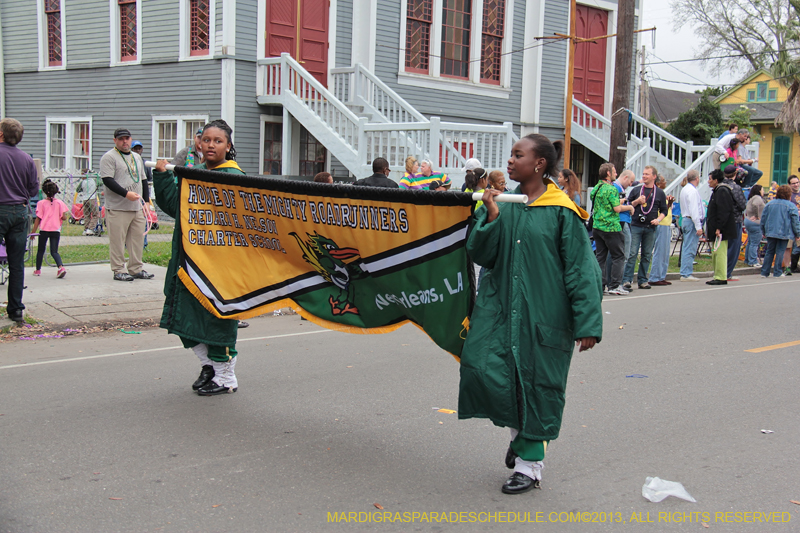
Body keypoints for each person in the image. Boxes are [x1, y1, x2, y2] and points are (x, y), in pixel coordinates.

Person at [458, 133, 602, 495]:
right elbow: (480, 254)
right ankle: (520, 436)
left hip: (545, 315)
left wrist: (588, 323)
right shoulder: (500, 204)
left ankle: (529, 466)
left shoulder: (561, 211)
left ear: (539, 164)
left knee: (538, 389)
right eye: (510, 154)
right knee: (488, 371)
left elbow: (581, 270)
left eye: (517, 155)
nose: (509, 161)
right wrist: (490, 217)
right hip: (500, 311)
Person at [153, 119, 244, 395]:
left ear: (228, 147)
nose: (211, 145)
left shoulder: (237, 178)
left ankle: (226, 377)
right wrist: (161, 176)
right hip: (187, 261)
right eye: (206, 140)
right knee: (182, 314)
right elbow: (172, 205)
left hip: (219, 265)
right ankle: (209, 366)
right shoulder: (193, 175)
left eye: (217, 141)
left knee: (216, 318)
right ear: (198, 143)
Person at [99, 128, 154, 282]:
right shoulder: (109, 157)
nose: (125, 142)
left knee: (136, 239)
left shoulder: (136, 157)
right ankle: (118, 269)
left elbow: (143, 180)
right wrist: (126, 194)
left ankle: (136, 268)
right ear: (115, 140)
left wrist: (146, 201)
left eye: (127, 138)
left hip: (136, 207)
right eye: (121, 139)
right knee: (118, 240)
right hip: (118, 207)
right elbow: (108, 180)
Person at [0, 118, 40, 322]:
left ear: (1, 134)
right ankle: (16, 309)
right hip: (20, 212)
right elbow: (34, 189)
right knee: (16, 263)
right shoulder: (26, 159)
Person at [622, 166, 669, 290]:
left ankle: (643, 280)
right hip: (636, 225)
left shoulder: (659, 192)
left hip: (651, 227)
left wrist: (658, 220)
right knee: (632, 253)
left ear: (654, 176)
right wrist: (637, 201)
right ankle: (627, 279)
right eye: (643, 174)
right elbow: (627, 204)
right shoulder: (637, 190)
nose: (644, 176)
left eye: (647, 174)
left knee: (647, 255)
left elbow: (664, 210)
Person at [591, 163, 633, 295]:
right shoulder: (611, 189)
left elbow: (605, 203)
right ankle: (615, 285)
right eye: (614, 172)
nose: (616, 174)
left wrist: (618, 202)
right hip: (611, 227)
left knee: (600, 257)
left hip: (597, 226)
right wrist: (630, 207)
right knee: (618, 256)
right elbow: (616, 208)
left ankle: (600, 285)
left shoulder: (597, 188)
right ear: (608, 173)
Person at [30, 179, 69, 278]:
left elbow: (38, 219)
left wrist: (33, 232)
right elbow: (63, 217)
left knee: (40, 250)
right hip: (55, 230)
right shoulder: (60, 203)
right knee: (54, 251)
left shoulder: (41, 203)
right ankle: (61, 267)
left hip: (44, 230)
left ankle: (38, 270)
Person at [759, 185, 800, 278]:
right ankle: (777, 272)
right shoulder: (791, 206)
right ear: (789, 194)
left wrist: (764, 231)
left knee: (770, 251)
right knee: (780, 251)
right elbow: (795, 222)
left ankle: (765, 272)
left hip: (770, 230)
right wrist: (797, 233)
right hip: (784, 231)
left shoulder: (769, 204)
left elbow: (763, 219)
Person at [705, 169, 736, 285]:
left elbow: (724, 211)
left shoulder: (722, 191)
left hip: (721, 230)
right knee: (716, 252)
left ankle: (721, 276)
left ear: (716, 180)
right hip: (716, 228)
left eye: (710, 179)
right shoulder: (717, 191)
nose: (708, 181)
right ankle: (717, 274)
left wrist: (719, 227)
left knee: (720, 252)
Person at [648, 175, 676, 286]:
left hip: (667, 224)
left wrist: (669, 203)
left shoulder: (661, 194)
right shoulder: (656, 194)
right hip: (661, 224)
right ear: (658, 183)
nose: (666, 182)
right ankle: (655, 276)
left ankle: (661, 275)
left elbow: (665, 208)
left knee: (665, 252)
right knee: (659, 251)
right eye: (664, 181)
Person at [678, 170, 704, 281]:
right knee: (690, 247)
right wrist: (698, 226)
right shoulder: (692, 191)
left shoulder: (685, 189)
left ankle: (685, 271)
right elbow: (694, 209)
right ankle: (686, 272)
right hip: (691, 220)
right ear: (697, 178)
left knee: (686, 246)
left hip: (685, 219)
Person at [722, 165, 747, 281]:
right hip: (734, 219)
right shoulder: (735, 188)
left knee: (723, 247)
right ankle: (727, 272)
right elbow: (742, 205)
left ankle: (722, 270)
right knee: (734, 247)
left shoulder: (720, 185)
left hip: (723, 219)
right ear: (735, 174)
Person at [743, 184, 765, 267]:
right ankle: (753, 261)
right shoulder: (757, 198)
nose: (763, 191)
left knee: (751, 242)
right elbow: (756, 205)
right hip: (755, 222)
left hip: (748, 221)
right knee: (755, 242)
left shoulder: (751, 198)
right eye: (762, 189)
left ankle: (747, 259)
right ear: (759, 190)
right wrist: (757, 215)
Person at [76, 170, 102, 235]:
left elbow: (78, 190)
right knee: (95, 214)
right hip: (92, 199)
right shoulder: (94, 181)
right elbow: (101, 183)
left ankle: (86, 229)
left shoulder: (82, 182)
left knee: (86, 215)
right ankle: (90, 229)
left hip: (85, 199)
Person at [786, 175, 800, 273]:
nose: (796, 185)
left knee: (798, 246)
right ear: (789, 184)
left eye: (797, 182)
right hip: (791, 224)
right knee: (793, 246)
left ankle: (794, 266)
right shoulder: (788, 195)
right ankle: (792, 267)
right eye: (793, 183)